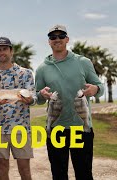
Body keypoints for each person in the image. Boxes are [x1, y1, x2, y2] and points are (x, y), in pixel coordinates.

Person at [35, 24, 104, 180]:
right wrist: (41, 95)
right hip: (56, 130)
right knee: (58, 175)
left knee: (84, 174)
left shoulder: (83, 62)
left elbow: (100, 86)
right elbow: (37, 98)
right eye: (53, 37)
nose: (57, 39)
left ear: (67, 39)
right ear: (49, 41)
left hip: (81, 128)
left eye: (61, 36)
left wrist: (95, 89)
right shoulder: (42, 69)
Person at [0, 37, 37, 180]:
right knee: (2, 167)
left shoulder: (25, 73)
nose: (2, 52)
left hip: (21, 129)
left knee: (24, 168)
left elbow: (33, 97)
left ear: (11, 51)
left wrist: (30, 99)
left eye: (5, 49)